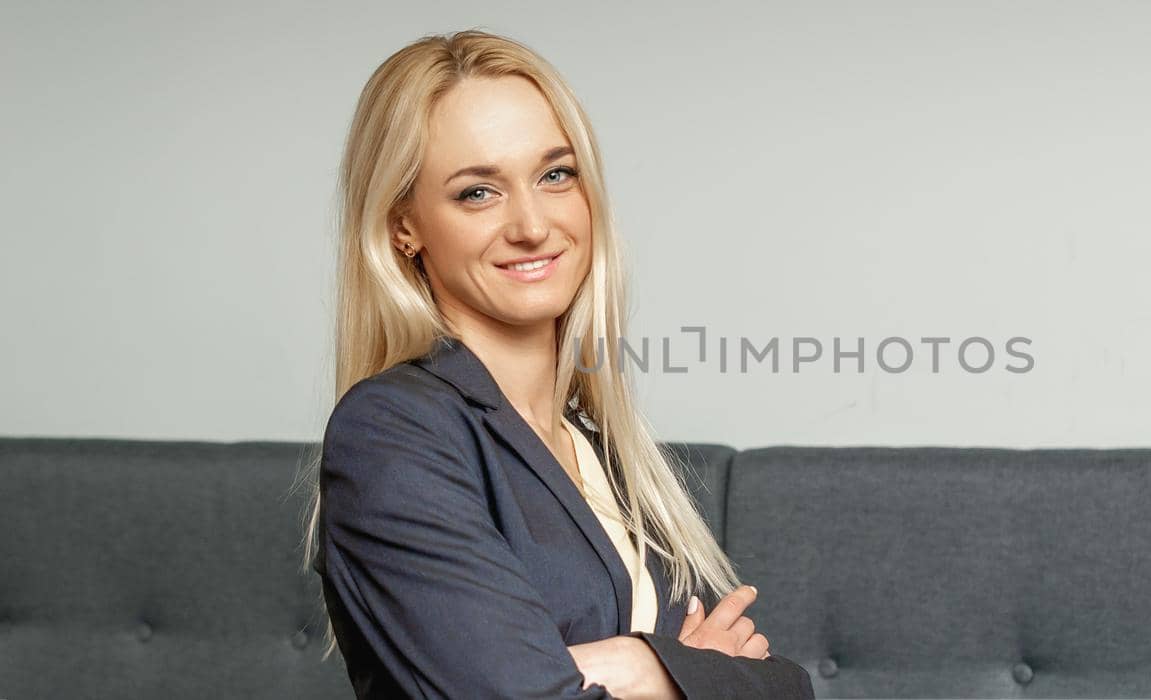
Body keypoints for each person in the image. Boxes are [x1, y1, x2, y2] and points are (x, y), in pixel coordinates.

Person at [294, 29, 815, 699]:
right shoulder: (393, 431)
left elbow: (781, 686)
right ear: (405, 227)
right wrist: (661, 667)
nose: (533, 225)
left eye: (555, 174)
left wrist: (628, 666)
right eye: (477, 192)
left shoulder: (600, 449)